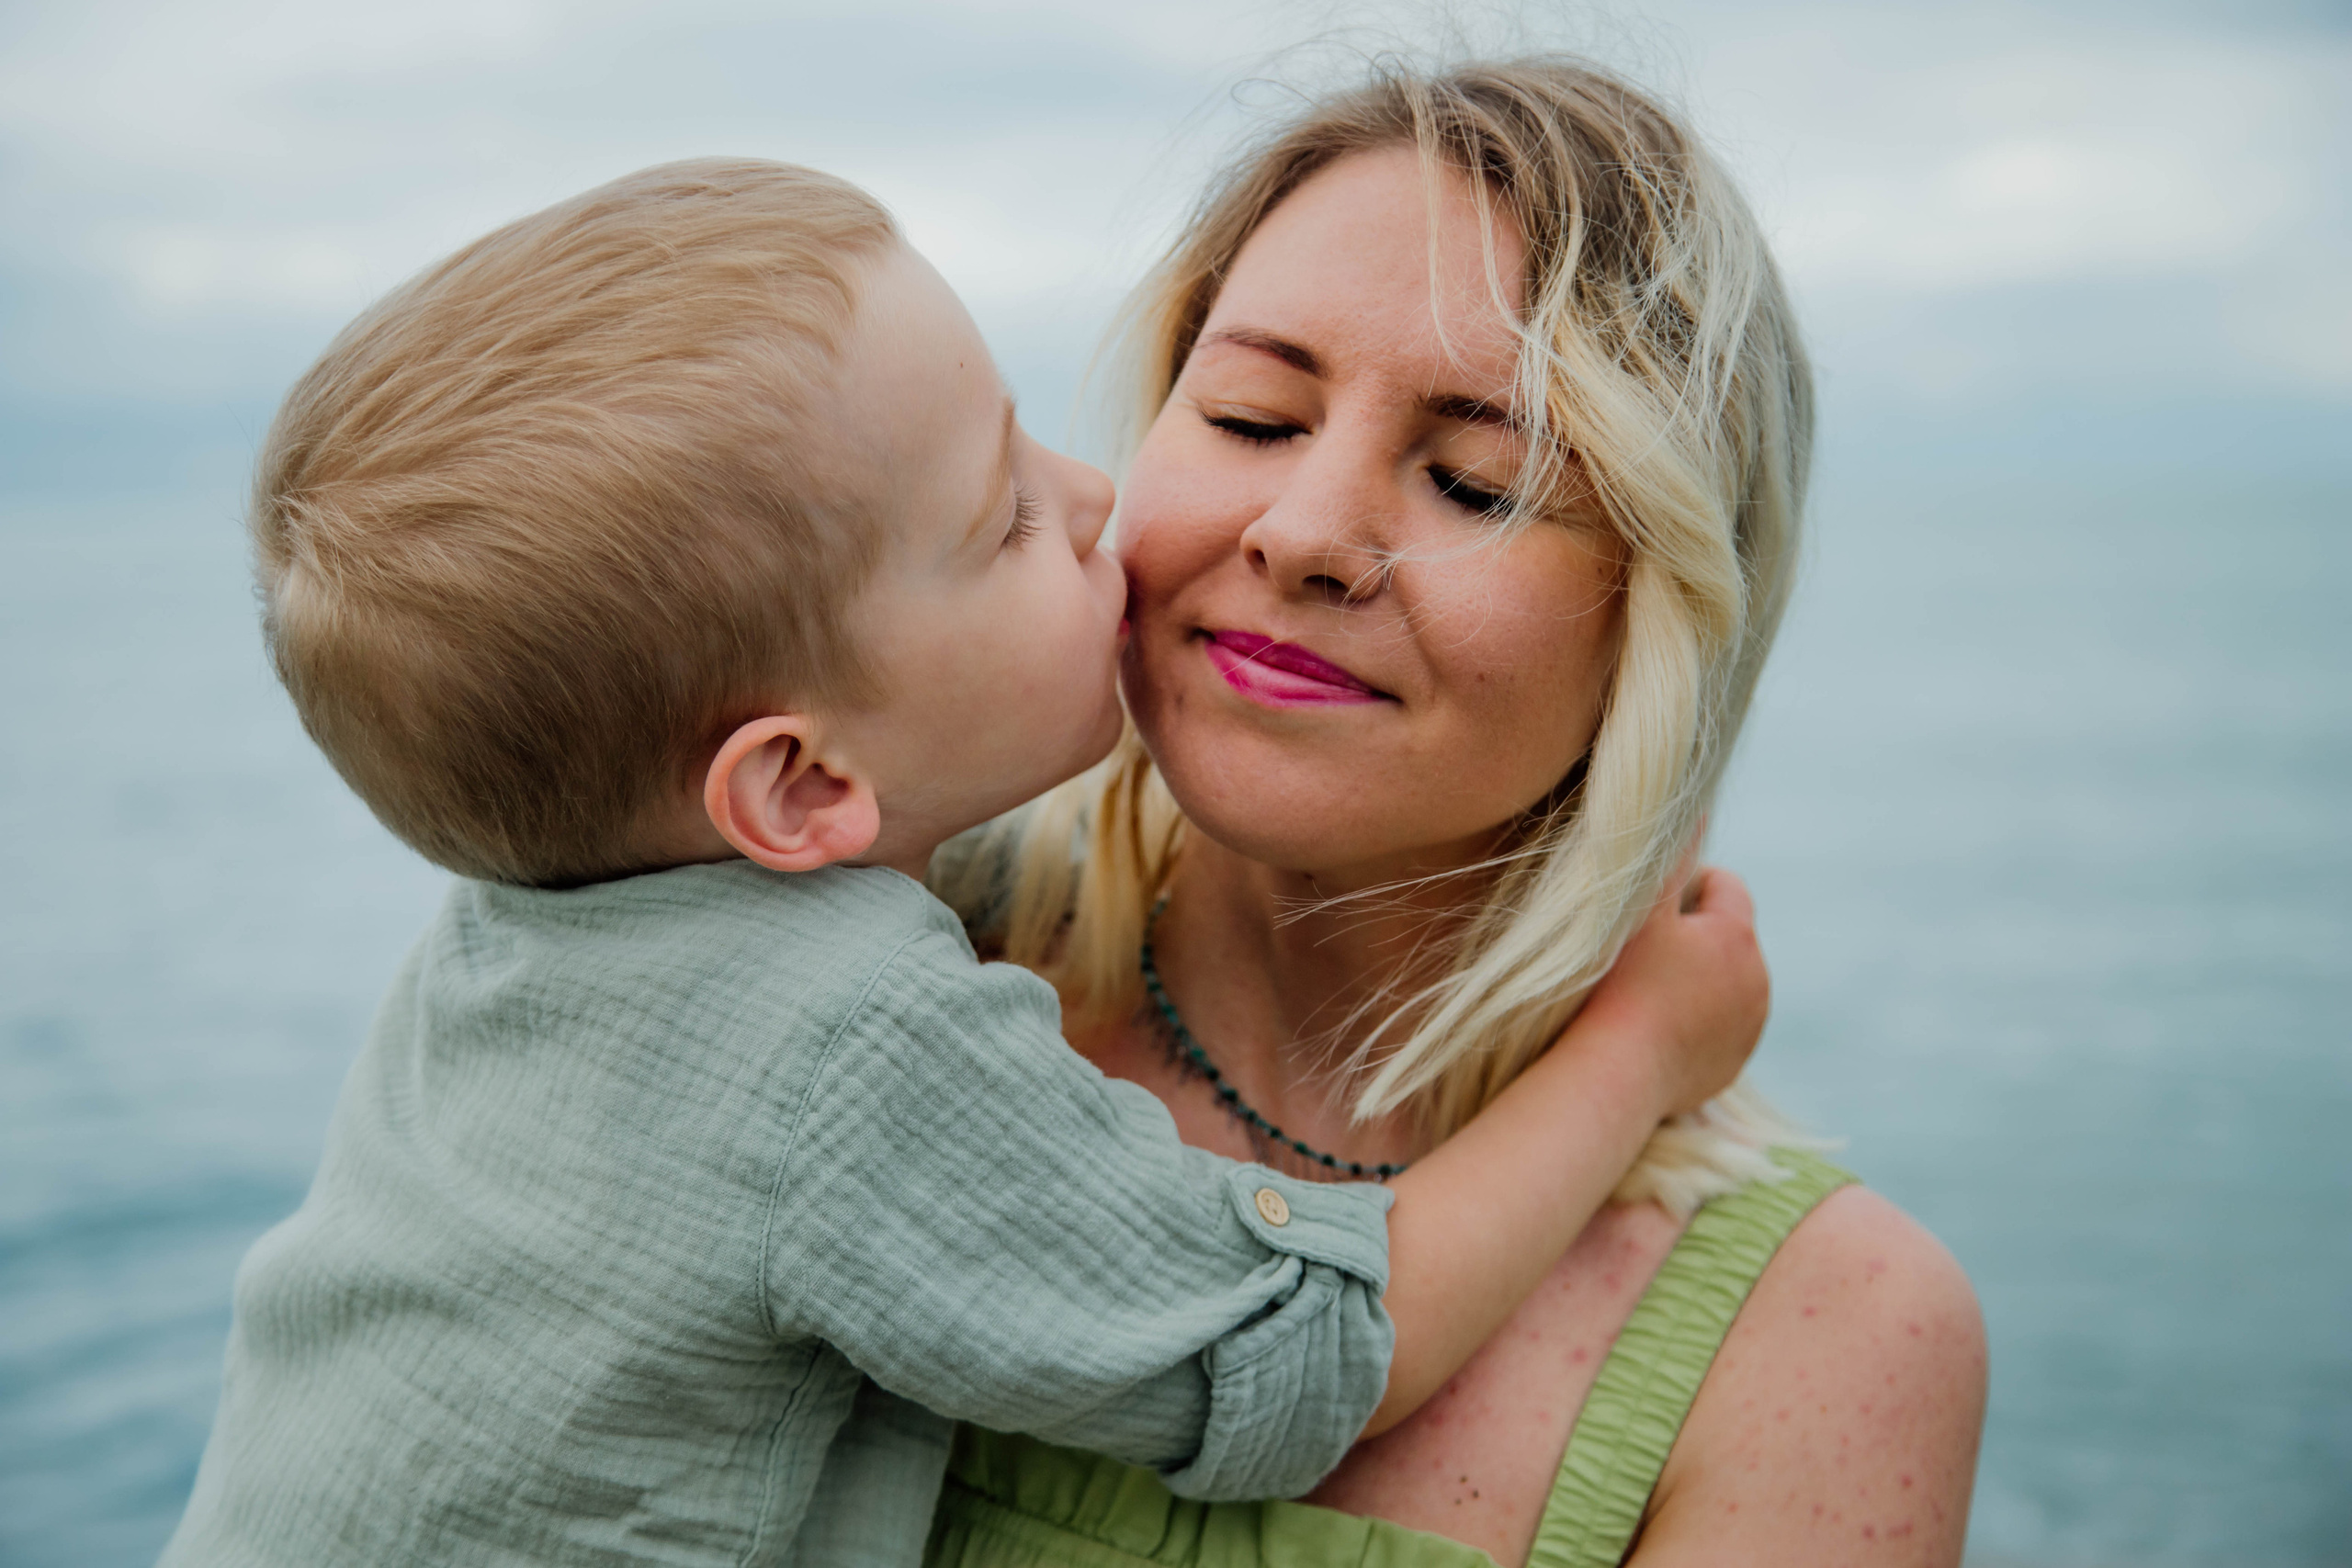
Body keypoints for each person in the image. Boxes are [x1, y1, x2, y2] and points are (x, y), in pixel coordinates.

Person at [159, 159, 1770, 1567]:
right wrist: (1638, 1049)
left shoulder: (514, 940)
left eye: (1476, 483)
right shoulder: (857, 1046)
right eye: (1003, 520)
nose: (1093, 497)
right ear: (797, 785)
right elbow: (1302, 1359)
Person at [924, 56, 1989, 1568]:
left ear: (1662, 626)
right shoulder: (866, 970)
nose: (1305, 533)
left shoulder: (1833, 1338)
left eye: (1479, 483)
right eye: (1251, 415)